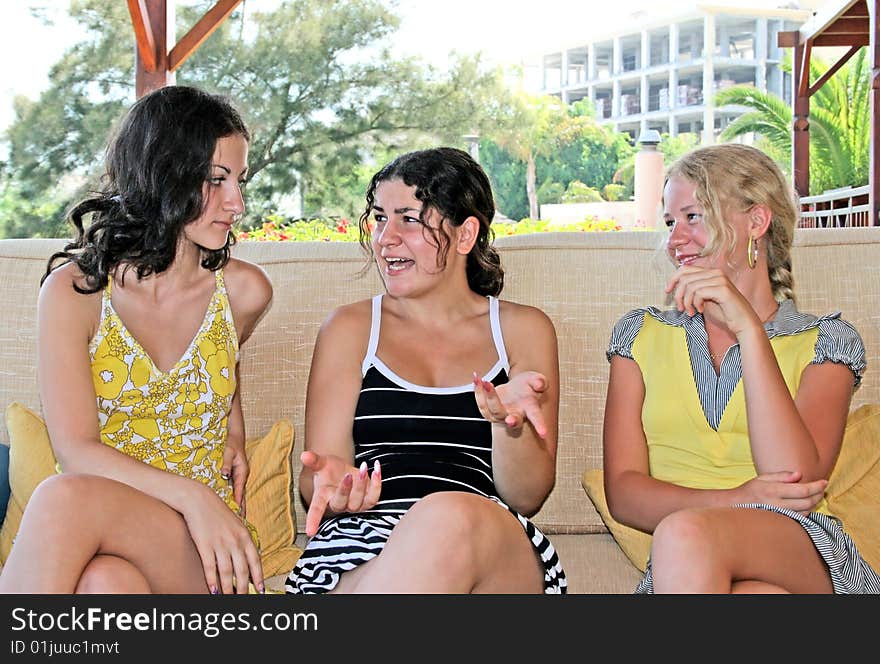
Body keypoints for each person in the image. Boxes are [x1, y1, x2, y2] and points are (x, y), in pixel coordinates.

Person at [0, 85, 272, 594]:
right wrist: (194, 495)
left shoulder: (243, 290)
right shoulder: (75, 293)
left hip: (203, 553)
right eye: (217, 180)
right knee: (107, 584)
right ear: (162, 174)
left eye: (239, 179)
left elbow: (223, 370)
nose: (237, 202)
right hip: (119, 535)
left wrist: (230, 438)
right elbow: (76, 449)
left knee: (64, 498)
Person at [285, 147, 567, 593]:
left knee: (447, 514)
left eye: (409, 219)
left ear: (465, 234)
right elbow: (319, 475)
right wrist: (335, 487)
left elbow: (527, 496)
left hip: (488, 546)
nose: (385, 238)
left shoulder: (523, 329)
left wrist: (507, 426)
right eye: (379, 218)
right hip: (365, 545)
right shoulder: (351, 328)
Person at [603, 143, 880, 593]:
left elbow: (797, 482)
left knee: (684, 531)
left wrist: (751, 331)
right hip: (689, 564)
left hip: (798, 550)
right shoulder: (639, 337)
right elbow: (625, 494)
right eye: (670, 222)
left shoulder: (826, 342)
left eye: (693, 217)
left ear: (756, 222)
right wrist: (736, 499)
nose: (674, 240)